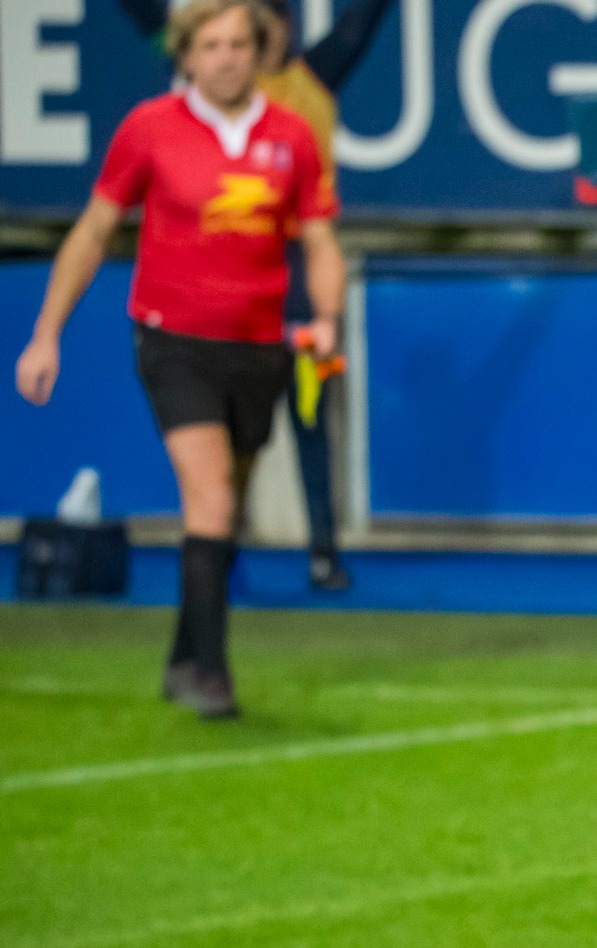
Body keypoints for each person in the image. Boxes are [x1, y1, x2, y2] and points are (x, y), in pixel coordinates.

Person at [14, 0, 343, 719]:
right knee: (212, 497)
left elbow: (319, 241)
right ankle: (212, 676)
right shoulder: (149, 128)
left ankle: (182, 654)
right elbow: (95, 231)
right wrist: (46, 332)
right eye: (211, 45)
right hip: (174, 341)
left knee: (228, 507)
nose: (226, 58)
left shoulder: (291, 135)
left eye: (238, 44)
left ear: (259, 52)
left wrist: (325, 319)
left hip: (260, 347)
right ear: (186, 55)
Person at [117, 0, 398, 591]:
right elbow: (151, 20)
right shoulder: (202, 83)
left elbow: (362, 19)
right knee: (221, 437)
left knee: (310, 417)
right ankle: (219, 551)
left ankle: (322, 551)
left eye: (255, 30)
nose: (238, 48)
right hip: (227, 278)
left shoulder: (309, 82)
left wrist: (326, 312)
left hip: (295, 272)